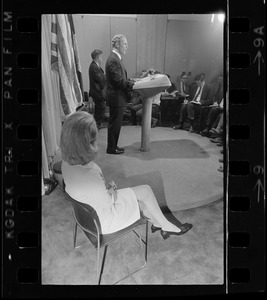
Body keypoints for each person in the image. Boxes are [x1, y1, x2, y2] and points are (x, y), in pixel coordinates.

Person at [60, 111, 193, 238]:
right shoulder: (90, 174)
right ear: (86, 144)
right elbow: (108, 202)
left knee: (144, 195)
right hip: (103, 221)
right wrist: (110, 188)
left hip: (87, 217)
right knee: (145, 194)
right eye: (93, 140)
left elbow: (89, 191)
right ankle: (164, 226)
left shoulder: (65, 163)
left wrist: (103, 187)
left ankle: (162, 225)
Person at [105, 34, 134, 155]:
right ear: (117, 45)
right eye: (125, 44)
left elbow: (121, 79)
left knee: (115, 124)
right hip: (116, 97)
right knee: (115, 124)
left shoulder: (116, 59)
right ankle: (111, 148)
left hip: (117, 97)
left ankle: (113, 146)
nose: (127, 47)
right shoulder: (113, 59)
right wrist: (132, 84)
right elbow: (119, 81)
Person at [89, 49, 106, 130]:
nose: (102, 58)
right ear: (97, 58)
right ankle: (96, 126)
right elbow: (100, 78)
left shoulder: (95, 66)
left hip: (97, 91)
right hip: (97, 92)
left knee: (99, 109)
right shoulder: (93, 67)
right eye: (101, 57)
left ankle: (96, 125)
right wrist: (106, 76)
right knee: (101, 108)